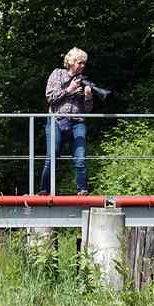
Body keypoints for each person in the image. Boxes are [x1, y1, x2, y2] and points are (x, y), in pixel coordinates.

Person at [38, 47, 94, 195]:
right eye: (80, 63)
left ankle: (82, 191)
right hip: (56, 120)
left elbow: (88, 109)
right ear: (71, 62)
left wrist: (88, 97)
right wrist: (69, 90)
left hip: (78, 122)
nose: (83, 66)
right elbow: (50, 97)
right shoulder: (57, 74)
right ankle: (44, 191)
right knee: (52, 156)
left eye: (84, 63)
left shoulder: (84, 80)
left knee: (80, 158)